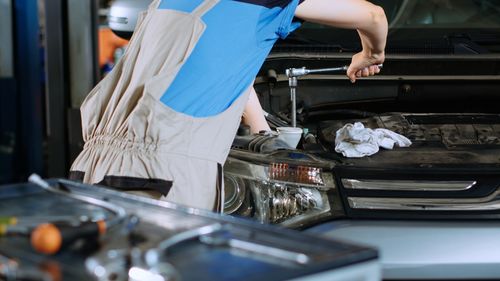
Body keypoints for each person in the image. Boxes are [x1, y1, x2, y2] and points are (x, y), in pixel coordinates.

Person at [70, 0, 387, 211]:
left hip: (95, 164)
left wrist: (262, 130)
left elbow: (228, 69)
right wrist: (371, 55)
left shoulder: (166, 1)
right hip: (164, 177)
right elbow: (373, 16)